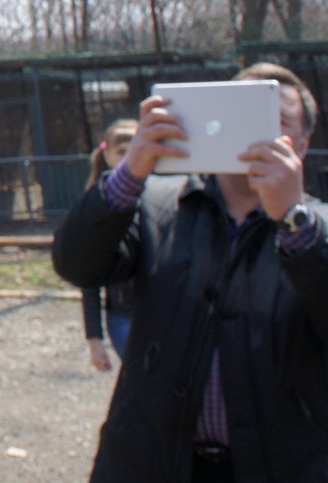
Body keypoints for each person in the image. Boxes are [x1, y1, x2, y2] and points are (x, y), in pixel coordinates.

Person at [52, 63, 328, 482]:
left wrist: (292, 218)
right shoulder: (155, 204)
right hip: (149, 463)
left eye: (278, 120)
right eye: (245, 113)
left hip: (281, 466)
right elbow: (76, 264)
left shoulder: (317, 229)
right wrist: (130, 173)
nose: (258, 131)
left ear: (303, 144)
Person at [80, 119, 138, 372]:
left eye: (134, 151)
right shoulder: (97, 206)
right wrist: (95, 341)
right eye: (121, 152)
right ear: (107, 154)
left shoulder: (170, 196)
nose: (128, 160)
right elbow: (89, 280)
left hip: (167, 313)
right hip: (123, 316)